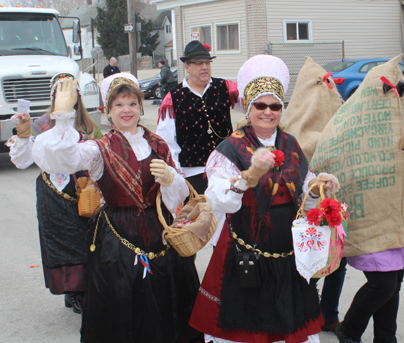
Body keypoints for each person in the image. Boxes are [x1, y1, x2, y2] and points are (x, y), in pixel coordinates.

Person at [31, 72, 202, 343]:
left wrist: (171, 179)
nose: (126, 110)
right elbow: (59, 159)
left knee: (165, 299)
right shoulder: (98, 149)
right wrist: (63, 118)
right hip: (117, 239)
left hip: (159, 230)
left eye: (132, 104)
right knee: (122, 301)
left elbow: (176, 197)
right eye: (119, 104)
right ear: (108, 111)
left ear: (141, 108)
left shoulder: (157, 144)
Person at [188, 55, 340, 343]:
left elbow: (305, 192)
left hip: (287, 246)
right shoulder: (229, 148)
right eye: (260, 105)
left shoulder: (291, 144)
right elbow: (220, 200)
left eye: (275, 106)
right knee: (248, 320)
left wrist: (321, 186)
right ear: (247, 106)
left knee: (289, 320)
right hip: (245, 246)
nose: (268, 112)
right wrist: (247, 178)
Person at [7, 72, 102, 314]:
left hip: (83, 192)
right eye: (60, 93)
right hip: (51, 194)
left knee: (86, 240)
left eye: (69, 92)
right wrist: (24, 134)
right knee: (58, 242)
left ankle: (85, 289)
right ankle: (72, 291)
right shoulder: (40, 125)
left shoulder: (89, 127)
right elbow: (23, 161)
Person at [156, 40, 240, 195]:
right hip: (193, 172)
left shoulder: (224, 87)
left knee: (231, 215)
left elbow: (253, 107)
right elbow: (165, 139)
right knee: (201, 217)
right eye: (199, 63)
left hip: (227, 168)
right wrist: (176, 172)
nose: (205, 67)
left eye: (207, 63)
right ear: (187, 67)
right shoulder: (174, 96)